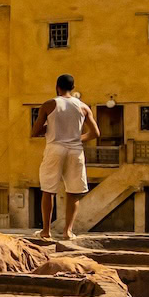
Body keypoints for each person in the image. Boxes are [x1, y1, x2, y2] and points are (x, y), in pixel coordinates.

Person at [31, 73, 98, 239]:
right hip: (75, 150)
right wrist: (77, 138)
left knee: (48, 190)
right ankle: (68, 231)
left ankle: (46, 231)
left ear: (57, 87)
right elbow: (95, 132)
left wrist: (48, 128)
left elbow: (35, 131)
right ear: (73, 88)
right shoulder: (83, 107)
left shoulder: (49, 104)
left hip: (55, 148)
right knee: (74, 192)